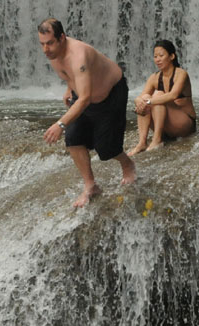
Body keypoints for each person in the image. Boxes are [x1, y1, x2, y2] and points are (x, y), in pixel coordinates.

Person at [38, 18, 136, 207]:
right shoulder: (54, 53)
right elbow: (70, 75)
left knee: (106, 148)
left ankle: (127, 164)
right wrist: (69, 88)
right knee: (73, 138)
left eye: (50, 43)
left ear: (62, 38)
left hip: (111, 94)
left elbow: (84, 99)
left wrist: (60, 124)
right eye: (42, 44)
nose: (46, 49)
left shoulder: (79, 56)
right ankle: (90, 185)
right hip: (83, 94)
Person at [128, 40, 197, 155]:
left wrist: (148, 102)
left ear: (171, 56)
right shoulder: (154, 77)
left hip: (184, 125)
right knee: (144, 97)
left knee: (157, 95)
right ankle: (142, 143)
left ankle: (157, 140)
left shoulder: (181, 74)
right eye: (155, 56)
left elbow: (173, 95)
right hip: (166, 128)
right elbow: (139, 98)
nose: (157, 59)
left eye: (161, 55)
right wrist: (140, 101)